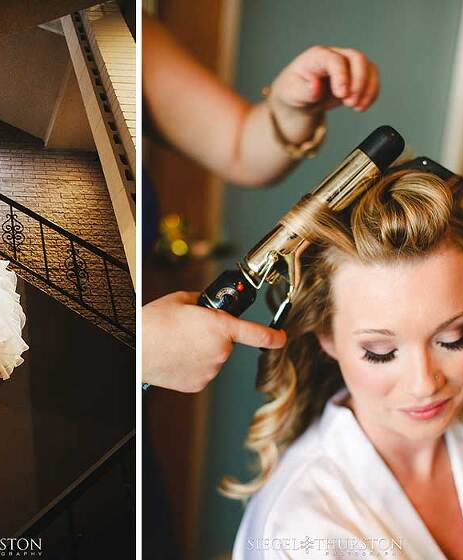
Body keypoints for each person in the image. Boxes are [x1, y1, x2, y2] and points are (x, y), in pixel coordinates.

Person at [227, 166, 463, 559]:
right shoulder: (299, 530)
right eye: (381, 351)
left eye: (453, 338)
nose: (424, 383)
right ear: (327, 336)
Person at [142, 13, 381, 392]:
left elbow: (238, 146)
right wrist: (146, 352)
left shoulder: (132, 33)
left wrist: (289, 110)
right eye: (380, 350)